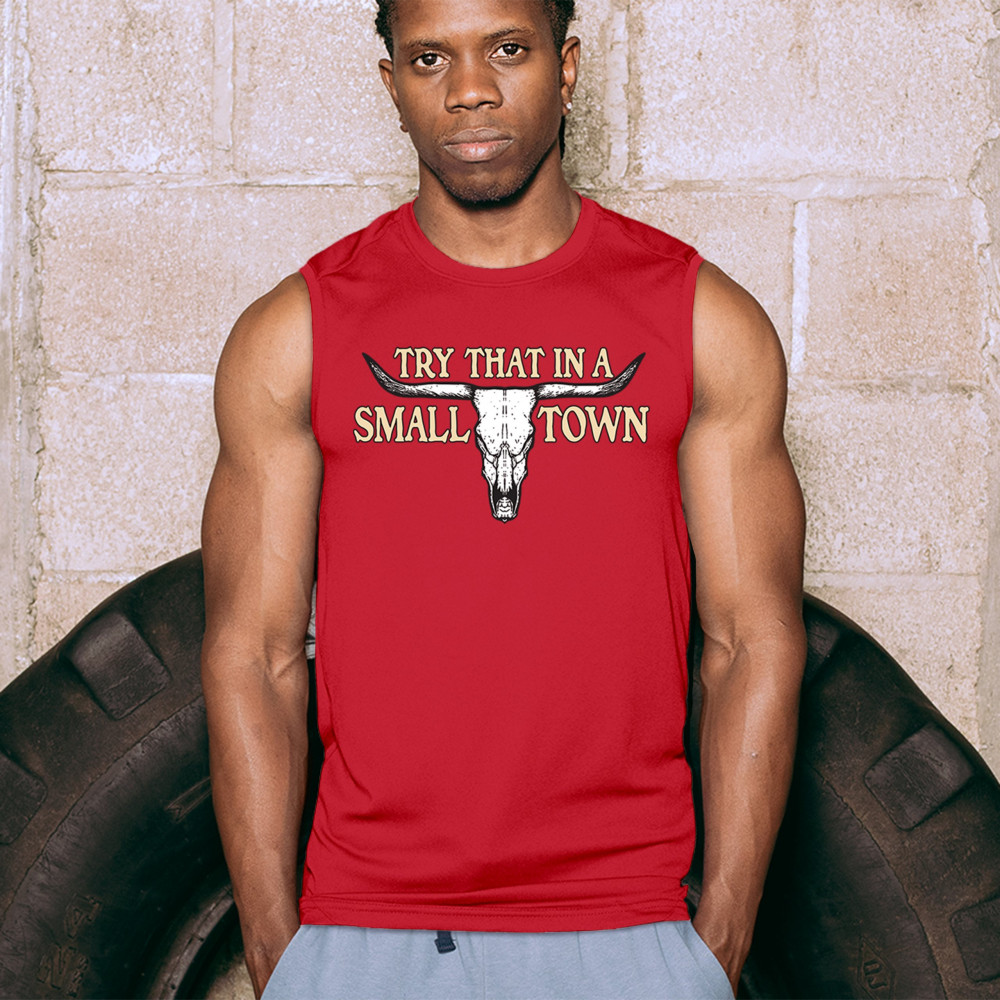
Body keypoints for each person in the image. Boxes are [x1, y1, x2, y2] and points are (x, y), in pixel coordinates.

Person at [199, 0, 807, 997]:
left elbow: (751, 639)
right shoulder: (298, 332)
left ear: (565, 69)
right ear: (391, 84)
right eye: (429, 58)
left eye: (508, 50)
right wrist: (281, 953)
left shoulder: (700, 320)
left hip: (628, 928)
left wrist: (716, 944)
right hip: (365, 930)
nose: (471, 90)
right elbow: (252, 655)